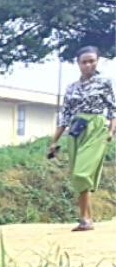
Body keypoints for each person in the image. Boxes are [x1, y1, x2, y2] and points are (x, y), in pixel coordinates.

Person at [48, 46, 116, 232]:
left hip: (96, 128)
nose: (88, 65)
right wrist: (54, 141)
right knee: (76, 174)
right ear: (78, 64)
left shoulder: (104, 82)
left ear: (97, 61)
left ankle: (86, 218)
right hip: (76, 130)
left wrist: (111, 131)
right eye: (84, 62)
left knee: (82, 173)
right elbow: (65, 116)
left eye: (91, 61)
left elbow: (112, 109)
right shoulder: (71, 88)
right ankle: (86, 218)